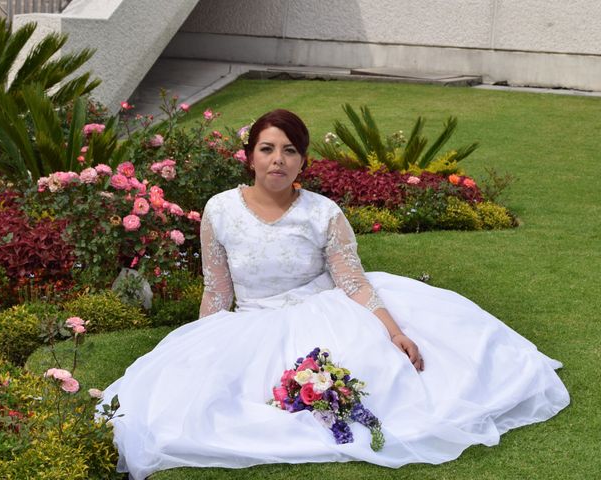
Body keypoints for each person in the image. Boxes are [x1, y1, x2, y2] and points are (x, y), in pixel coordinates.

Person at [102, 109, 569, 480]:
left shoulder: (322, 212)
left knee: (396, 388)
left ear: (303, 160)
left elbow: (353, 281)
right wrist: (199, 348)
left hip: (324, 314)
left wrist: (393, 331)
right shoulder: (220, 210)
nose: (277, 160)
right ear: (250, 156)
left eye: (289, 150)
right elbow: (217, 291)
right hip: (252, 323)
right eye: (267, 149)